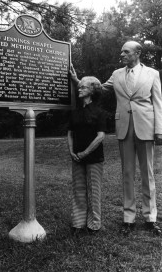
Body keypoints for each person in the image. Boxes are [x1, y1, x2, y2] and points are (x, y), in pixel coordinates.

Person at [70, 40, 162, 236]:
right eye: (121, 52)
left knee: (148, 174)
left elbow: (158, 103)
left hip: (146, 127)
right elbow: (97, 88)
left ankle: (150, 218)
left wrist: (159, 130)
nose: (122, 55)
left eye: (126, 52)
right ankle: (128, 218)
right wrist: (78, 81)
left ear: (137, 53)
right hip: (124, 128)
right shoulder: (117, 74)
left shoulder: (152, 74)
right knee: (127, 173)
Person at [68, 76, 106, 235]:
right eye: (80, 86)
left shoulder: (100, 112)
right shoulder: (75, 112)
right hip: (76, 157)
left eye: (83, 87)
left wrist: (85, 153)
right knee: (78, 190)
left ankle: (94, 225)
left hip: (93, 158)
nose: (79, 88)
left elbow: (100, 136)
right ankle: (78, 223)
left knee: (94, 191)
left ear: (92, 90)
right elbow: (69, 133)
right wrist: (71, 151)